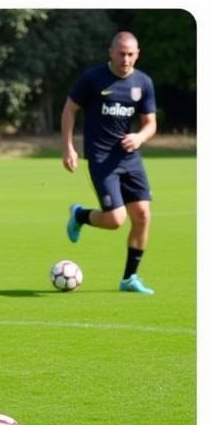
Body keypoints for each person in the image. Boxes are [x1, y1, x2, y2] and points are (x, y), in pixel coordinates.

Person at [62, 32, 157, 294]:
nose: (126, 59)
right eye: (121, 53)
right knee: (116, 220)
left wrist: (139, 136)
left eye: (131, 54)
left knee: (142, 216)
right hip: (102, 158)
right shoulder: (93, 79)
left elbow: (150, 124)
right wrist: (68, 147)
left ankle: (129, 278)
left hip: (130, 158)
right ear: (111, 52)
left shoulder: (143, 83)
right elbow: (70, 109)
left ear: (137, 54)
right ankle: (80, 215)